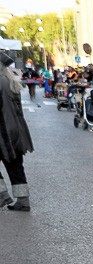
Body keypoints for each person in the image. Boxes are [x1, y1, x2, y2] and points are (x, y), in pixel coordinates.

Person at [0, 52, 33, 211]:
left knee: (13, 163)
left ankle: (2, 195)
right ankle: (23, 200)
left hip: (4, 130)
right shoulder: (10, 80)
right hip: (16, 129)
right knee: (15, 165)